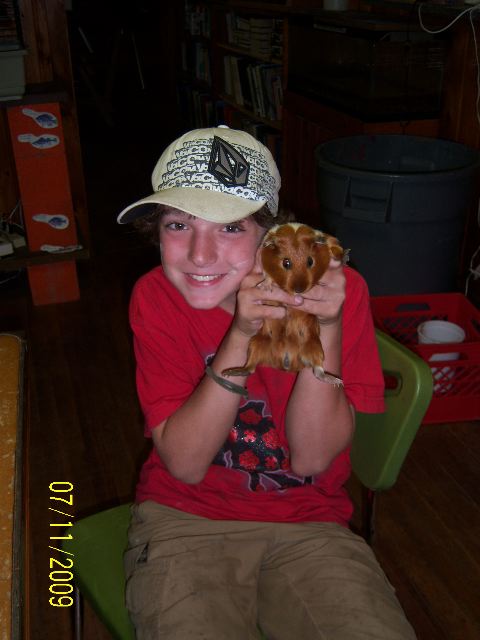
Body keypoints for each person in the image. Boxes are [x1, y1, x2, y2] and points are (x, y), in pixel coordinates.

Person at [119, 125, 416, 640]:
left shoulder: (339, 291)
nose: (200, 255)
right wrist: (240, 335)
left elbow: (312, 459)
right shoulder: (154, 297)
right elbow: (186, 466)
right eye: (178, 225)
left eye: (231, 228)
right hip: (186, 517)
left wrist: (326, 327)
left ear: (271, 235)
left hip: (310, 520)